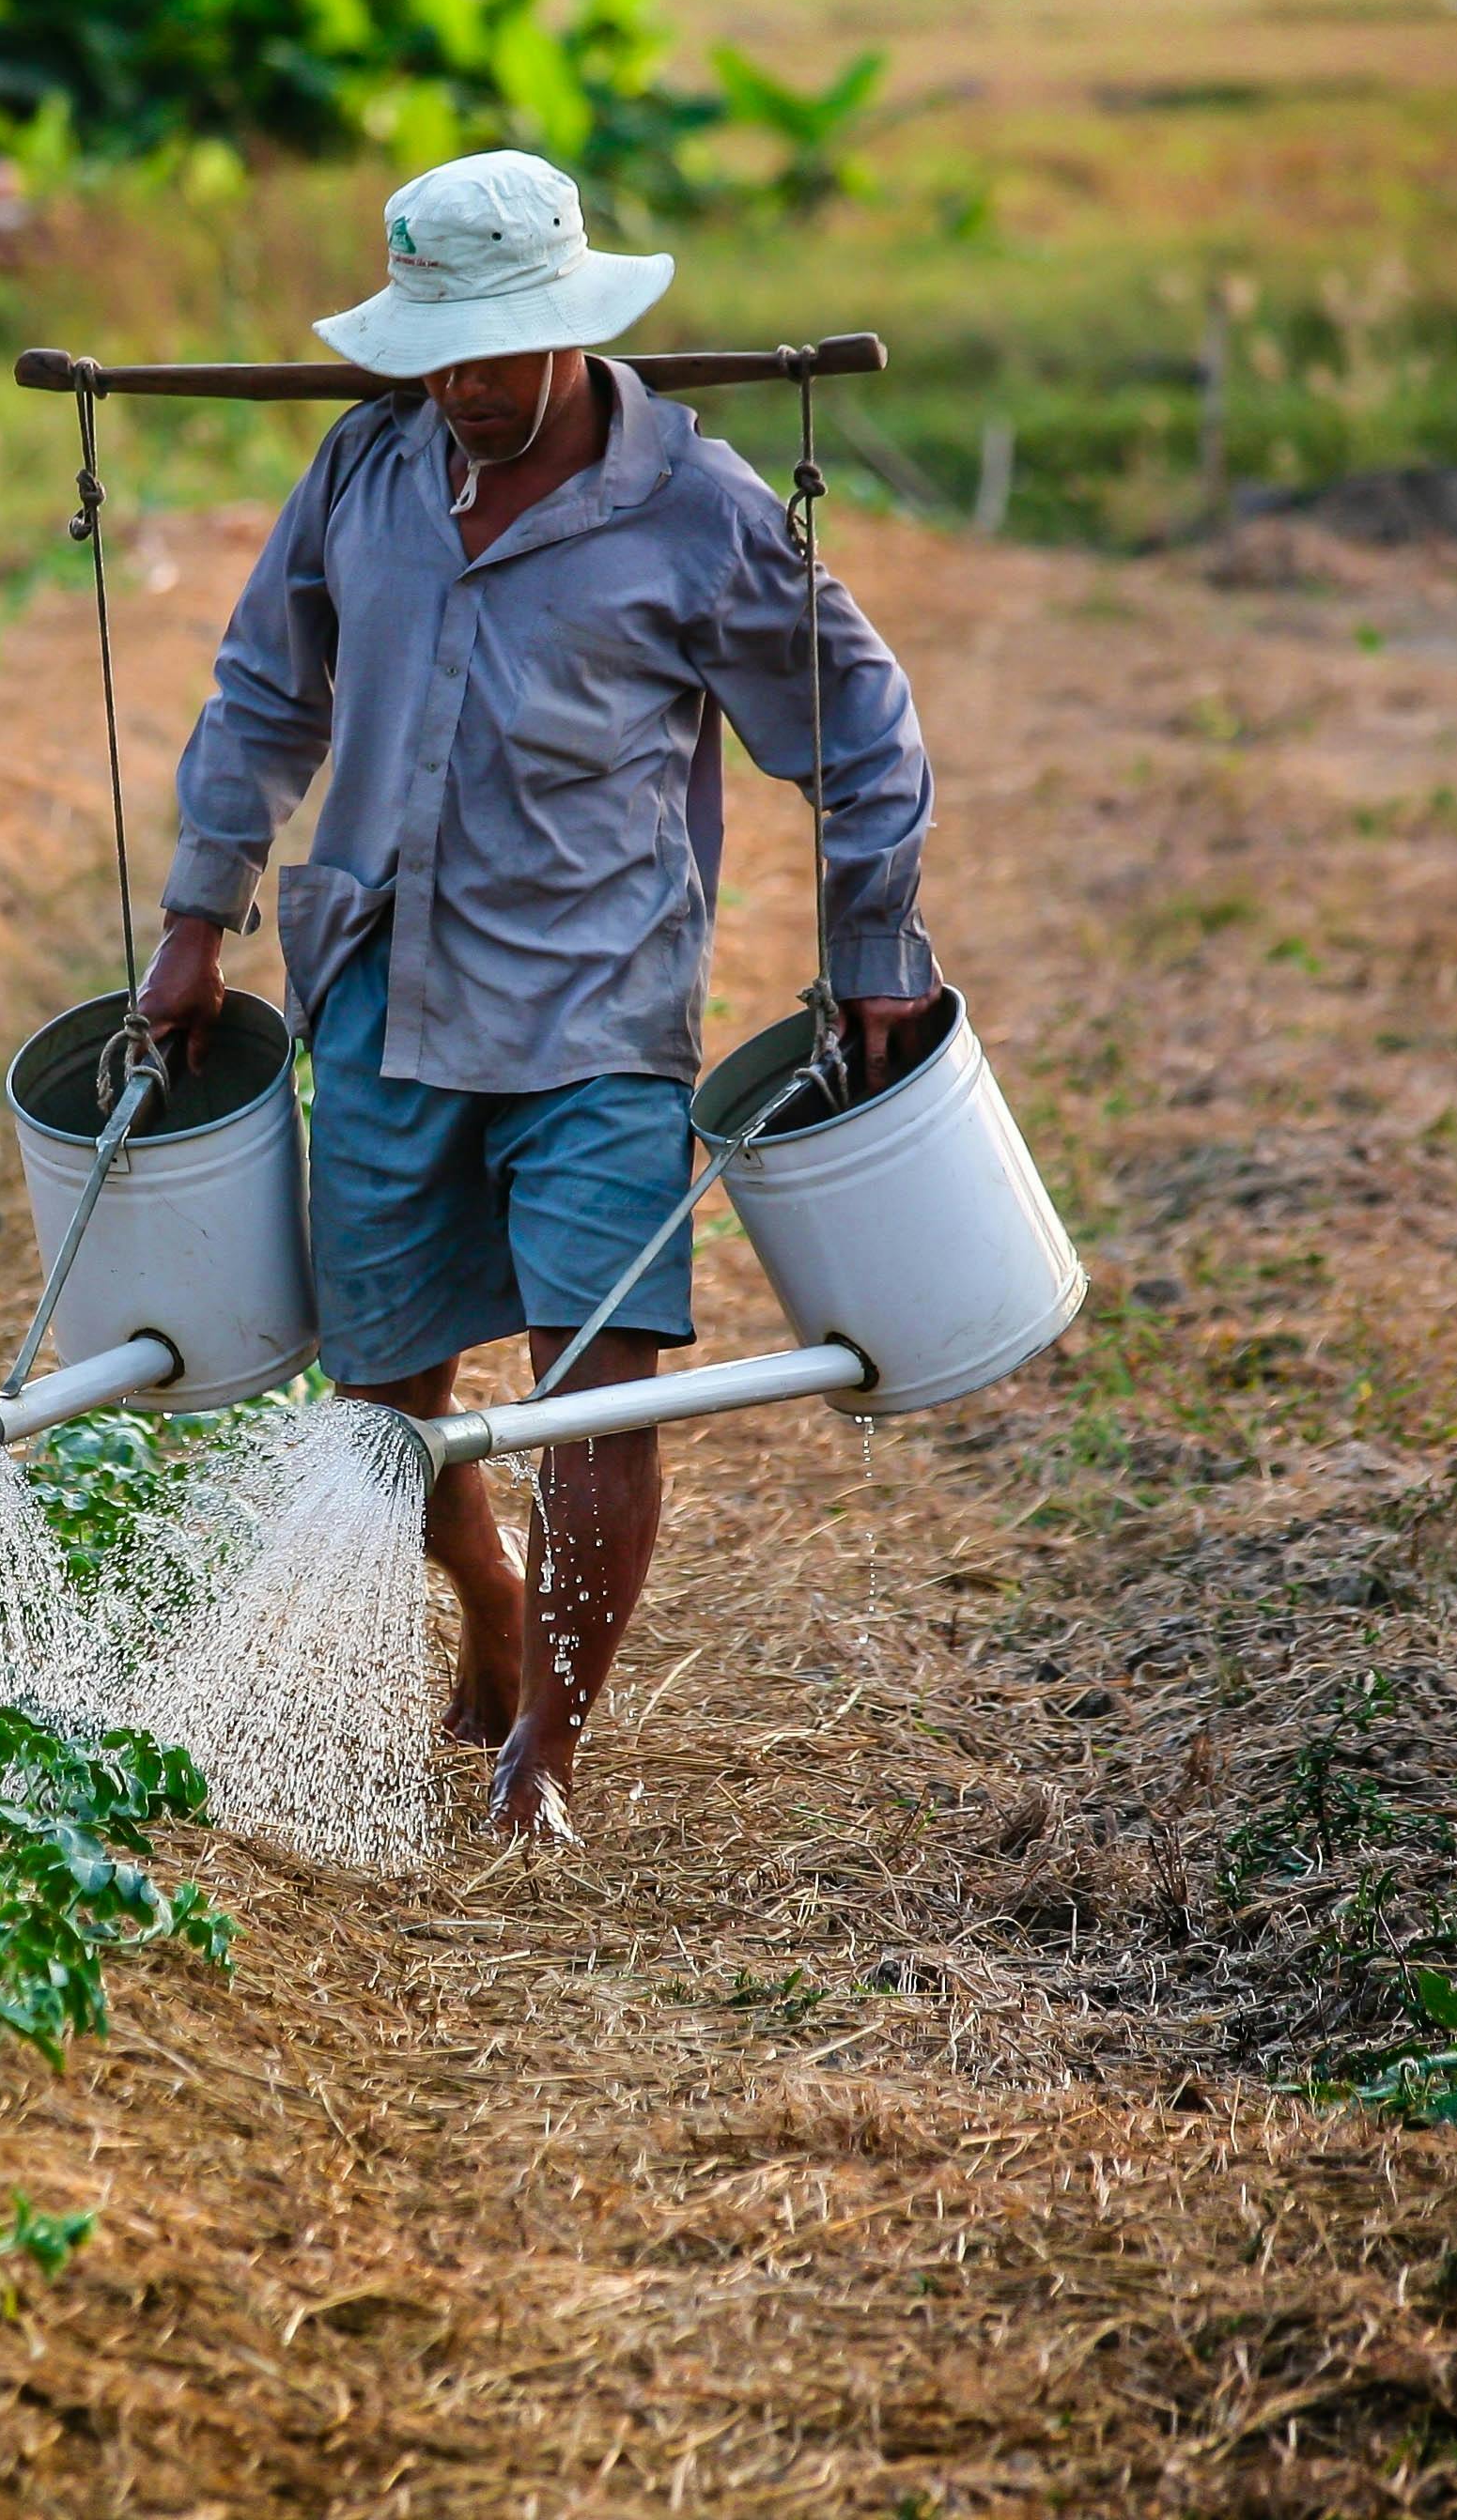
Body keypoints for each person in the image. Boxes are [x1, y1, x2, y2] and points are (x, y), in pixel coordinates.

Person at [133, 148, 941, 1842]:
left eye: (495, 355)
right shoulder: (364, 470)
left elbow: (861, 733)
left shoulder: (697, 512)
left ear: (573, 331)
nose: (465, 389)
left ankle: (541, 1763)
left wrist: (870, 952)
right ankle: (489, 1603)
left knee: (601, 1381)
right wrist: (198, 916)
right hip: (377, 989)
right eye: (437, 354)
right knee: (385, 1401)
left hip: (598, 1008)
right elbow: (263, 694)